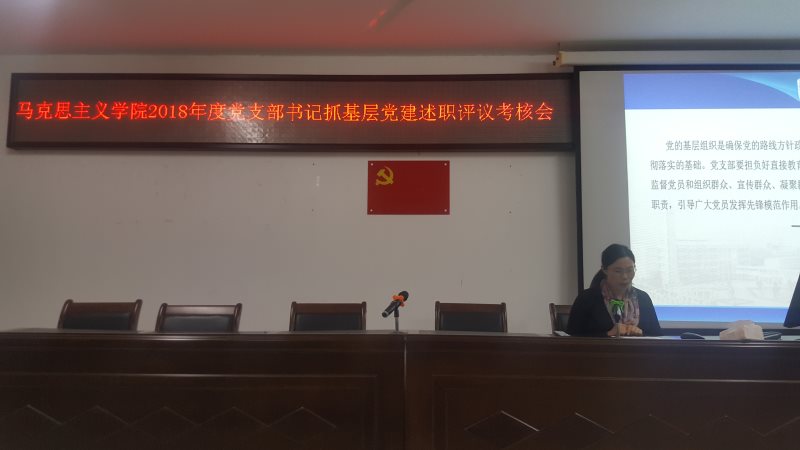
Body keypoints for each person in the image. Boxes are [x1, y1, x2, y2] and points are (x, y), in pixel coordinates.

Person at [566, 243, 662, 337]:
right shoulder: (586, 299)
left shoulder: (643, 298)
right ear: (604, 270)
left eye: (629, 270)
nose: (625, 276)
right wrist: (608, 334)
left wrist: (641, 334)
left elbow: (658, 336)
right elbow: (571, 338)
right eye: (618, 271)